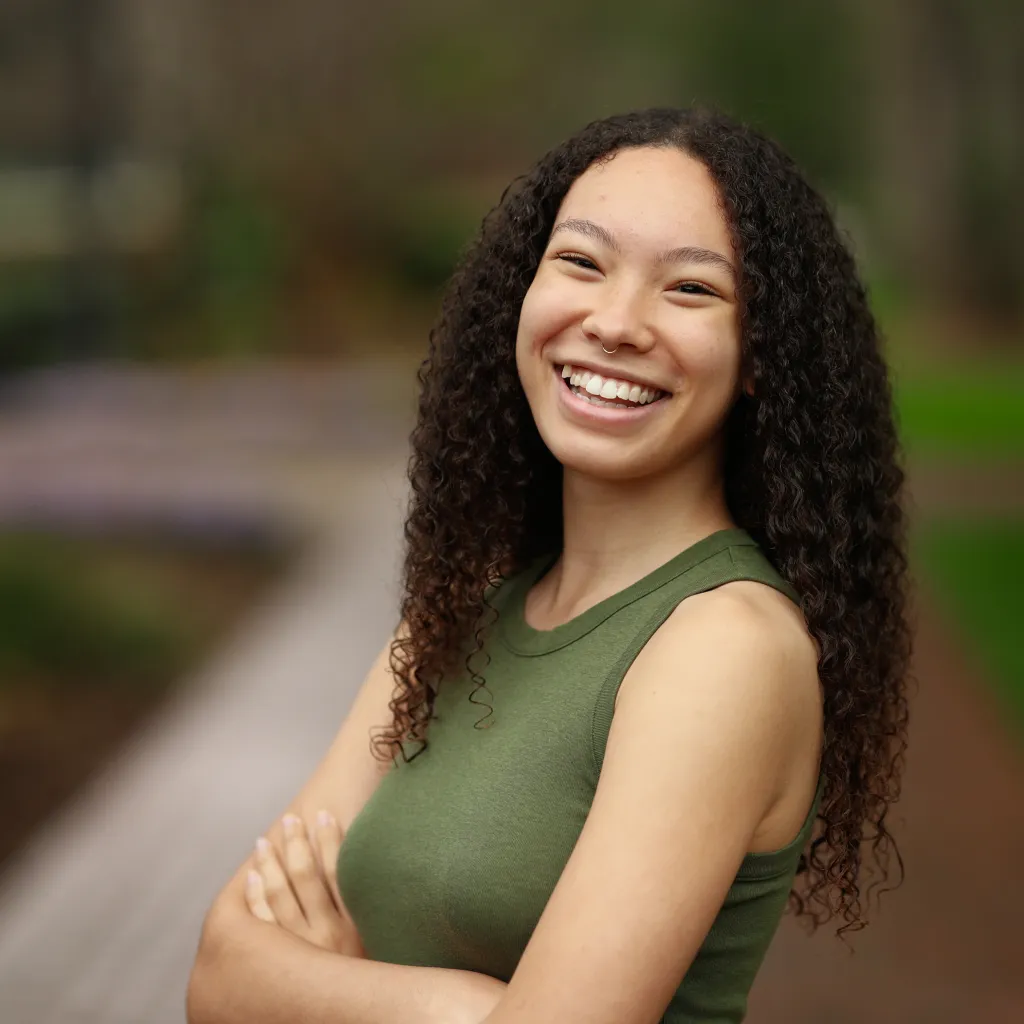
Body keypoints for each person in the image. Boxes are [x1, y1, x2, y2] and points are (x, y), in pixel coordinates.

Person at [187, 106, 912, 1024]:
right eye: (580, 261)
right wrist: (465, 1006)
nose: (614, 322)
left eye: (691, 290)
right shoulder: (465, 612)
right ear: (520, 297)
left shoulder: (725, 648)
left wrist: (330, 980)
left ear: (761, 356)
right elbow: (217, 970)